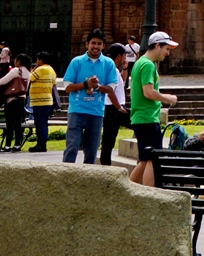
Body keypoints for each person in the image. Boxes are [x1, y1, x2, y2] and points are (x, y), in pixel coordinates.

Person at [60, 30, 121, 163]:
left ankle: (88, 175)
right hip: (77, 110)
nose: (96, 46)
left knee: (92, 150)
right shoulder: (77, 62)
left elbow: (111, 88)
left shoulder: (108, 63)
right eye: (93, 43)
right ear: (87, 44)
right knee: (72, 146)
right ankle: (67, 173)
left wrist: (97, 87)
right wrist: (85, 84)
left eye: (99, 43)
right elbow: (67, 87)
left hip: (96, 112)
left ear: (103, 46)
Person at [128, 31, 179, 186]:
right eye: (166, 49)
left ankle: (128, 190)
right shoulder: (148, 65)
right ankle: (150, 194)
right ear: (157, 45)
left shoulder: (140, 62)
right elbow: (148, 92)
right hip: (147, 118)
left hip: (141, 118)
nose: (167, 53)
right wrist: (168, 98)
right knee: (152, 158)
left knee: (144, 159)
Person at [0, 53, 30, 151]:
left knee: (10, 123)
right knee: (18, 123)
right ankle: (17, 145)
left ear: (19, 61)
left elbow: (2, 81)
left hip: (12, 99)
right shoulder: (28, 72)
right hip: (22, 99)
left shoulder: (16, 70)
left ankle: (7, 145)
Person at [99, 49, 129, 165]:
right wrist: (119, 108)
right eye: (124, 55)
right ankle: (105, 165)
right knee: (108, 140)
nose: (125, 58)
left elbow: (121, 80)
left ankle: (105, 164)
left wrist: (125, 69)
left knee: (108, 139)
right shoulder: (112, 69)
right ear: (119, 56)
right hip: (113, 108)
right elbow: (111, 92)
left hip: (114, 107)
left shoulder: (114, 70)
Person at [27, 52, 57, 152]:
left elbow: (30, 78)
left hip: (40, 101)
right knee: (43, 123)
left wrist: (34, 68)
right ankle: (42, 143)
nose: (36, 62)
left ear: (41, 60)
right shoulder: (51, 70)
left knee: (40, 123)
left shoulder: (40, 69)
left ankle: (41, 144)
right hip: (47, 101)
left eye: (37, 60)